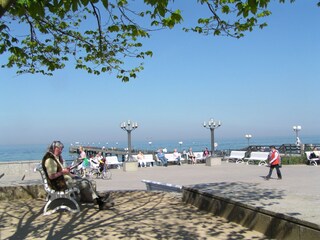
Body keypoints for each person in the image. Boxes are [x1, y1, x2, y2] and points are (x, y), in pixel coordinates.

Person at [42, 140, 114, 210]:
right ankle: (100, 201)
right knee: (85, 183)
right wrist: (63, 172)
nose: (61, 151)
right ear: (55, 148)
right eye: (60, 149)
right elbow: (51, 176)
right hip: (60, 185)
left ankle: (98, 199)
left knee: (88, 181)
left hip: (64, 181)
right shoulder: (50, 160)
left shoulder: (53, 158)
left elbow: (59, 170)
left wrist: (65, 170)